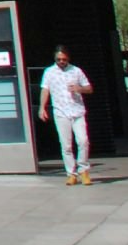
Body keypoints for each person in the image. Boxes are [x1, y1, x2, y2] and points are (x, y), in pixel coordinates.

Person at [36, 46, 94, 186]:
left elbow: (89, 88)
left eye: (64, 59)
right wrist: (42, 107)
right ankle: (71, 173)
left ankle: (83, 169)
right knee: (66, 145)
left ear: (68, 58)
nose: (61, 61)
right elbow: (45, 90)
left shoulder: (76, 71)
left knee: (83, 141)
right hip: (61, 112)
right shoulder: (49, 72)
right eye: (58, 59)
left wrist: (79, 89)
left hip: (77, 111)